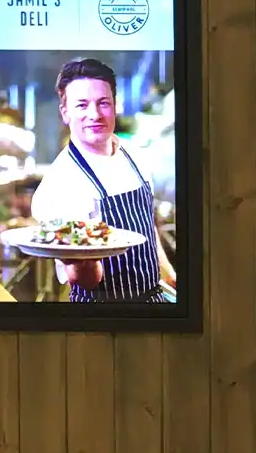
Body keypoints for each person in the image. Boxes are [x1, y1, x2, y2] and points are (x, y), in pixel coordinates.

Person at [28, 58, 176, 303]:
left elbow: (147, 227)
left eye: (103, 103)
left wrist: (169, 275)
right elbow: (84, 280)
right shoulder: (60, 184)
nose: (94, 114)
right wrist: (77, 259)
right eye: (82, 105)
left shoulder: (134, 155)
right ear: (65, 113)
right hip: (102, 314)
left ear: (115, 105)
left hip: (153, 302)